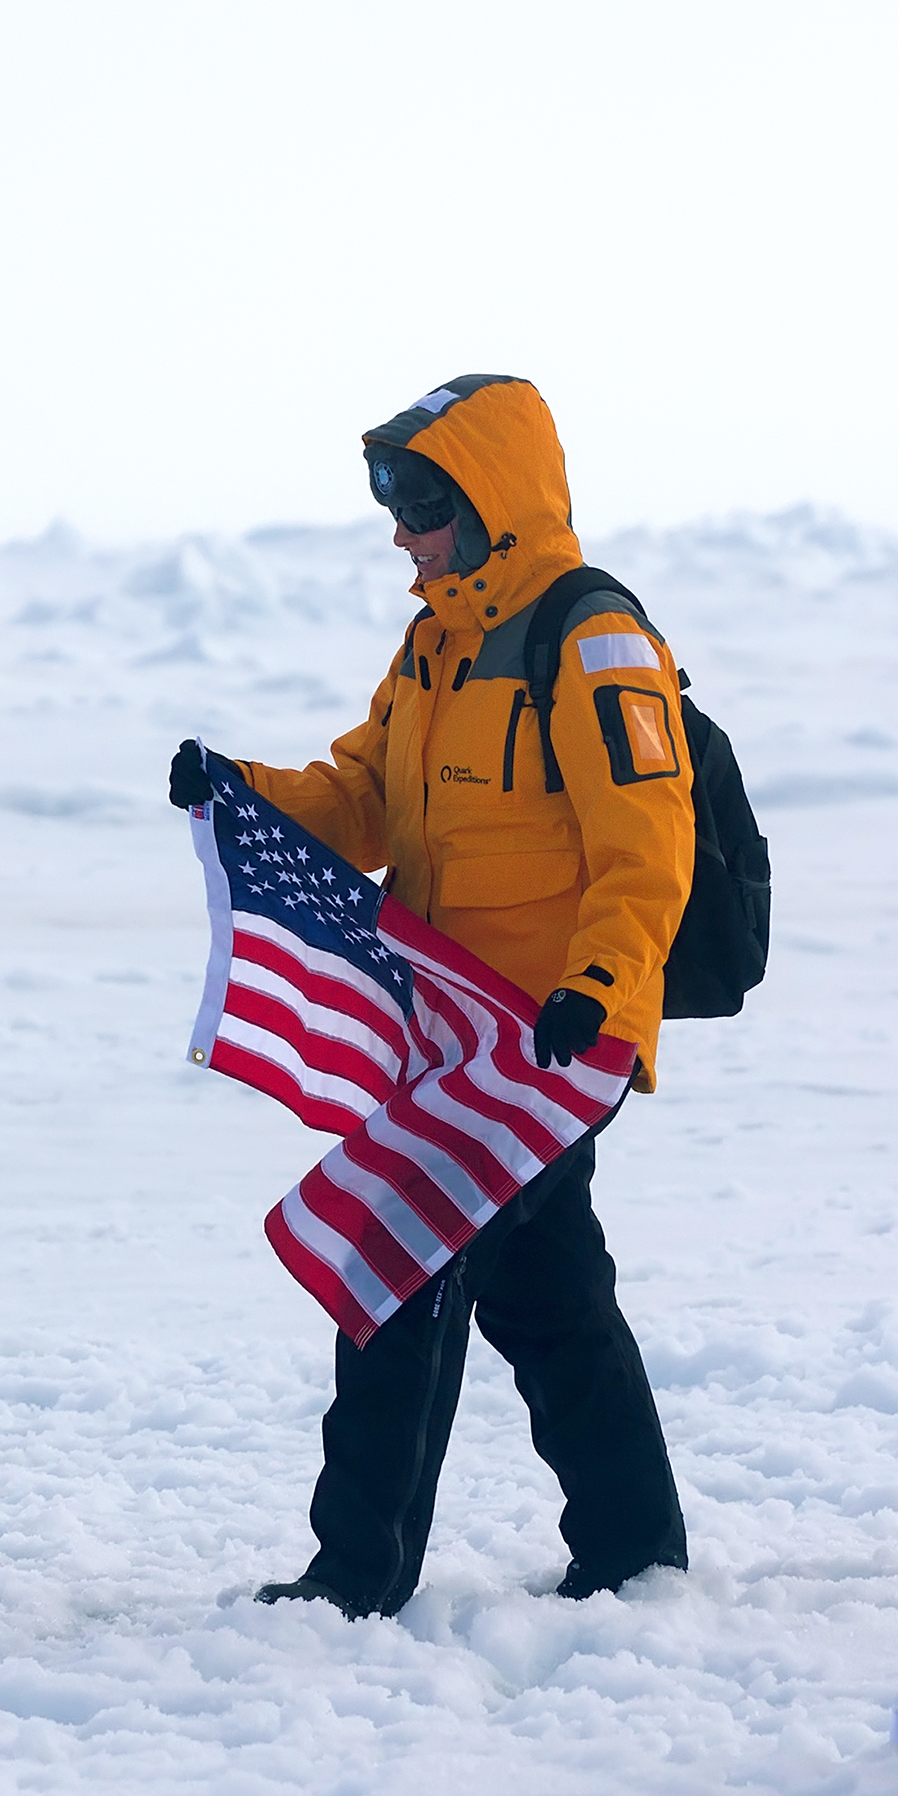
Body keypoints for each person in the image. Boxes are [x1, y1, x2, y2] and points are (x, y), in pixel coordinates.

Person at [167, 374, 693, 1619]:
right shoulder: (436, 642)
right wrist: (239, 789)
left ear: (489, 500)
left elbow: (648, 841)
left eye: (419, 502)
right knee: (548, 1294)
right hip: (454, 1037)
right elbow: (364, 801)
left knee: (397, 1261)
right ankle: (636, 1553)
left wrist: (599, 987)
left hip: (551, 1040)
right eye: (390, 500)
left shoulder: (591, 635)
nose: (399, 531)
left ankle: (358, 1571)